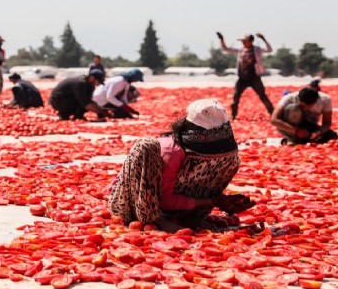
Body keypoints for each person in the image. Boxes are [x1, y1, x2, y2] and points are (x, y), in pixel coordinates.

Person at [109, 99, 255, 233]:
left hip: (172, 204)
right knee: (146, 146)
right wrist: (213, 201)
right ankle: (155, 221)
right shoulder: (170, 151)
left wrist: (221, 200)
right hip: (134, 203)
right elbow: (163, 198)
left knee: (231, 160)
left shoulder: (220, 153)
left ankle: (189, 217)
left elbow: (192, 182)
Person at [217, 32, 274, 120]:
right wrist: (222, 40)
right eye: (242, 41)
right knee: (236, 97)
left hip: (254, 77)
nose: (243, 42)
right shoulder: (241, 50)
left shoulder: (257, 49)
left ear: (251, 41)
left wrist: (264, 39)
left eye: (245, 41)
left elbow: (269, 50)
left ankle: (273, 114)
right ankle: (233, 116)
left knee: (263, 96)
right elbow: (226, 49)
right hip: (242, 78)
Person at [271, 87, 338, 145]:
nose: (305, 108)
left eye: (309, 106)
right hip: (291, 126)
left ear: (316, 101)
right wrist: (296, 131)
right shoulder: (289, 98)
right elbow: (274, 120)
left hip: (309, 126)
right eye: (303, 106)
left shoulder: (325, 100)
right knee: (293, 108)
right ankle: (291, 138)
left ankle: (301, 140)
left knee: (332, 136)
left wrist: (318, 132)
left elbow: (327, 123)